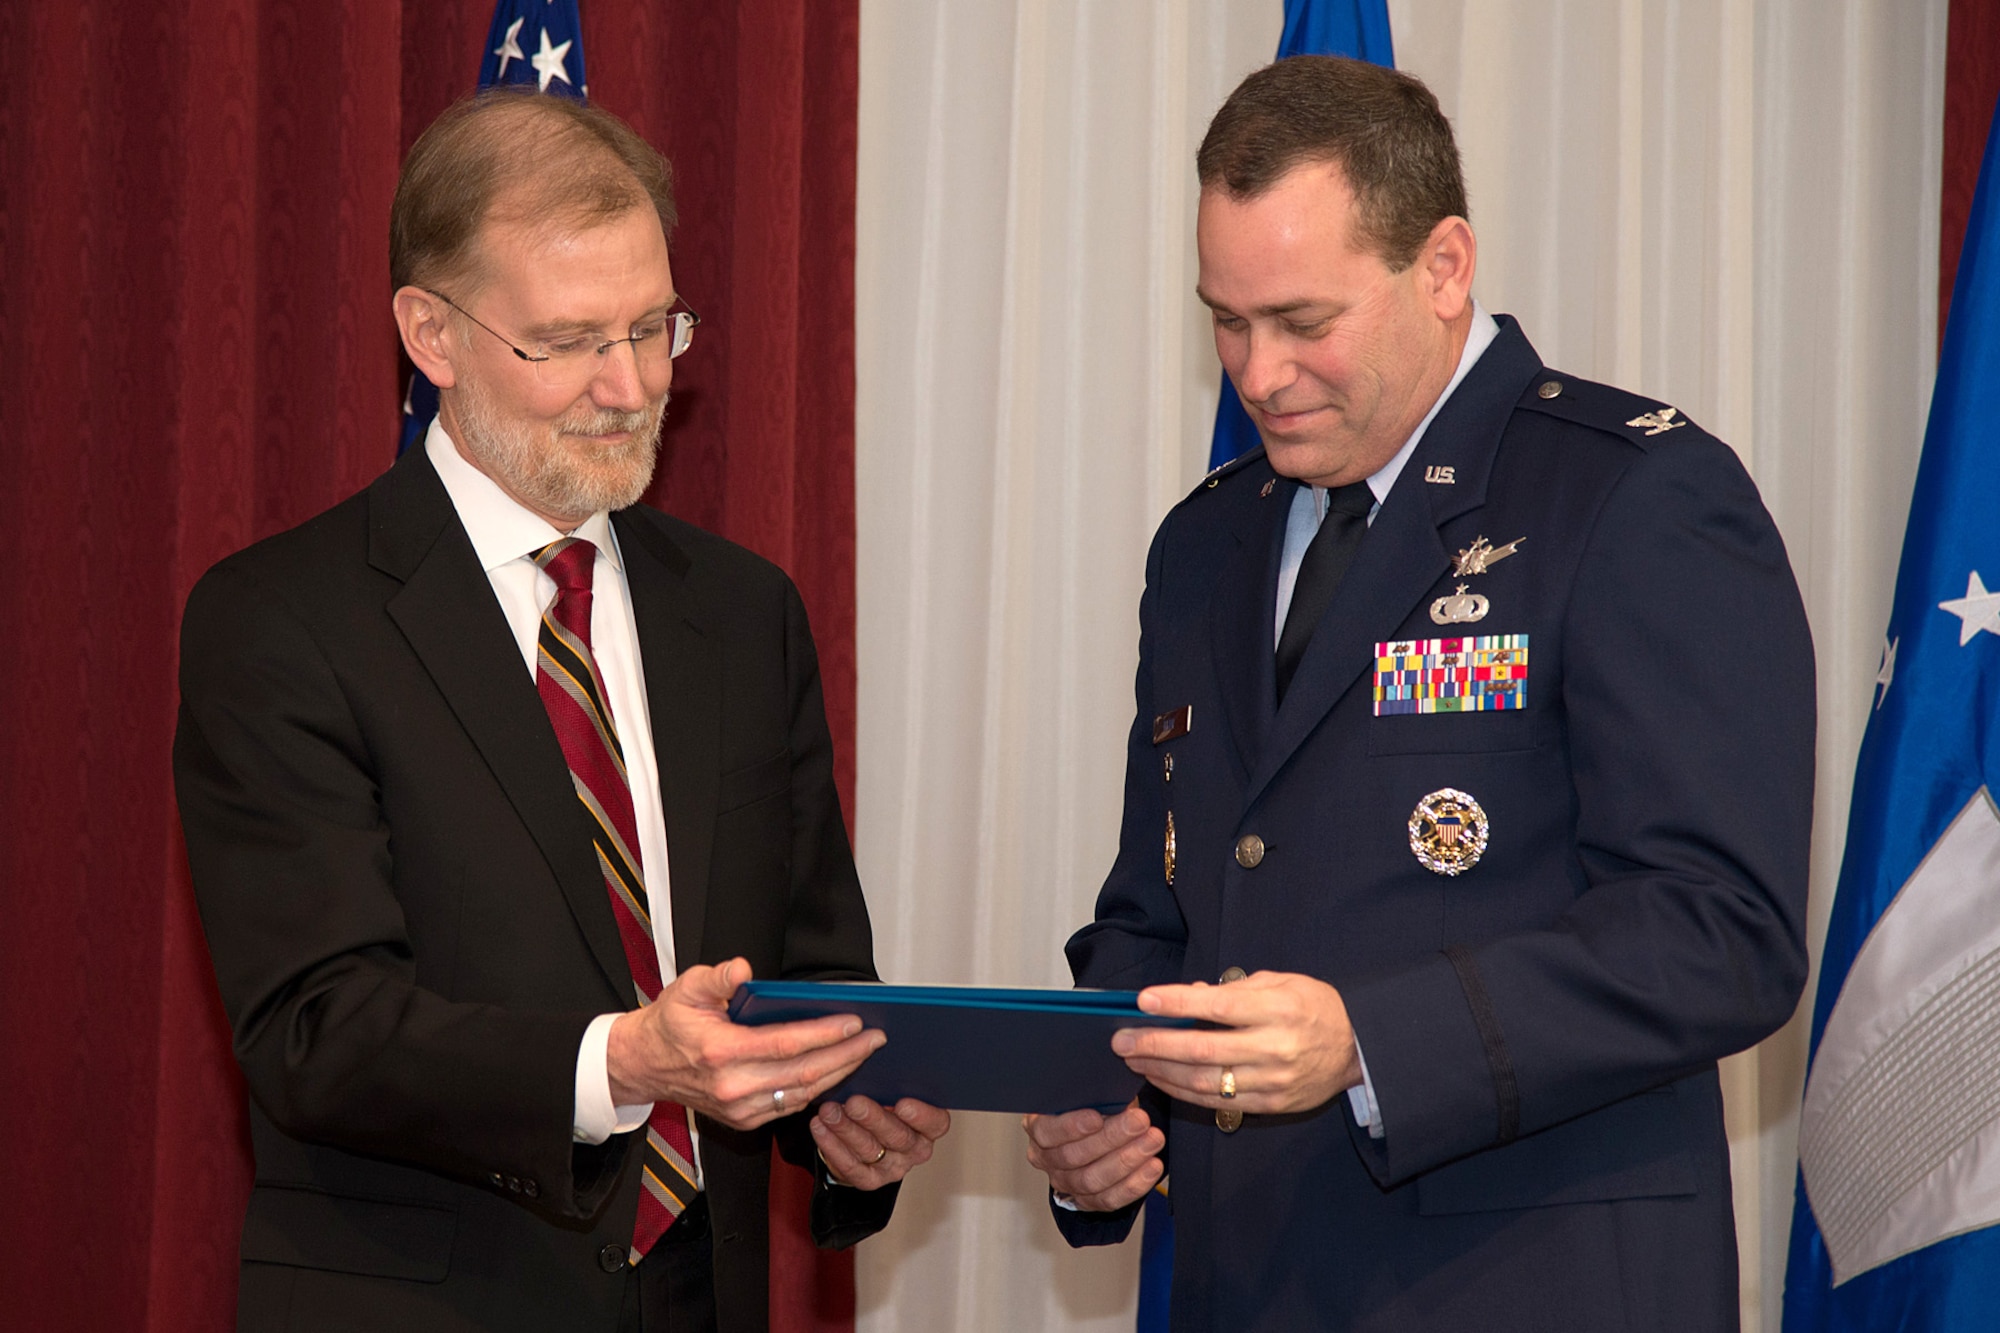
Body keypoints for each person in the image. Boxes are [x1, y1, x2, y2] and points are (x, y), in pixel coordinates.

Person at [1024, 55, 1812, 1332]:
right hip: (1249, 1282)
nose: (1257, 374)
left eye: (1301, 320)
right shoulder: (1206, 543)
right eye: (1225, 320)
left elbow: (1720, 932)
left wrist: (1369, 1043)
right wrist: (1102, 1110)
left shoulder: (1628, 496)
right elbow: (1160, 910)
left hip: (1525, 1286)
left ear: (1441, 266)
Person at [174, 90, 946, 1333]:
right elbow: (314, 1027)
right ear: (431, 333)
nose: (631, 384)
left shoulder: (744, 615)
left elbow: (808, 968)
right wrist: (623, 1063)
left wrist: (838, 1114)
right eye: (571, 340)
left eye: (654, 327)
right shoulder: (283, 622)